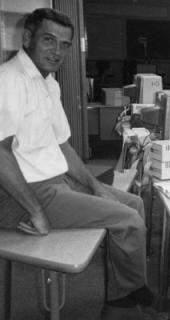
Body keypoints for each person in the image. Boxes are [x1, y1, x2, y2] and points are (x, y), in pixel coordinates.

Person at [0, 8, 154, 314]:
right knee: (128, 220)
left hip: (55, 183)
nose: (57, 51)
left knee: (133, 204)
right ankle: (129, 298)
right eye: (48, 40)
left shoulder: (49, 83)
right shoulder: (8, 80)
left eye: (65, 44)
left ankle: (124, 290)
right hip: (23, 195)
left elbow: (62, 145)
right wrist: (37, 212)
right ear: (28, 37)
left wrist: (94, 185)